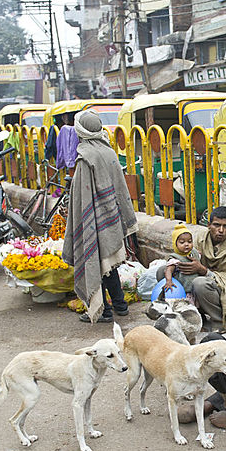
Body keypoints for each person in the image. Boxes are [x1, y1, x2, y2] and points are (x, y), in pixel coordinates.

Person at [63, 110, 138, 324]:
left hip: (95, 221)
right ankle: (120, 305)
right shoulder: (109, 151)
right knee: (109, 265)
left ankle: (103, 311)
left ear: (80, 131)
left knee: (96, 263)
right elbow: (120, 189)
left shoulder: (86, 156)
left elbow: (83, 197)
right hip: (111, 219)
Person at [174, 206, 226, 332]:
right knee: (165, 271)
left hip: (224, 292)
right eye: (216, 225)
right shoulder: (201, 239)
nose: (221, 230)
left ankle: (220, 322)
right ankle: (189, 314)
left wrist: (204, 271)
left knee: (200, 283)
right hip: (199, 287)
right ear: (209, 225)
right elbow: (186, 257)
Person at [157, 223, 201, 294]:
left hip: (197, 287)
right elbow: (168, 270)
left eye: (189, 242)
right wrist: (169, 281)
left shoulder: (194, 252)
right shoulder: (175, 259)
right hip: (185, 289)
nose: (186, 244)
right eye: (182, 242)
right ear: (175, 244)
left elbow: (199, 256)